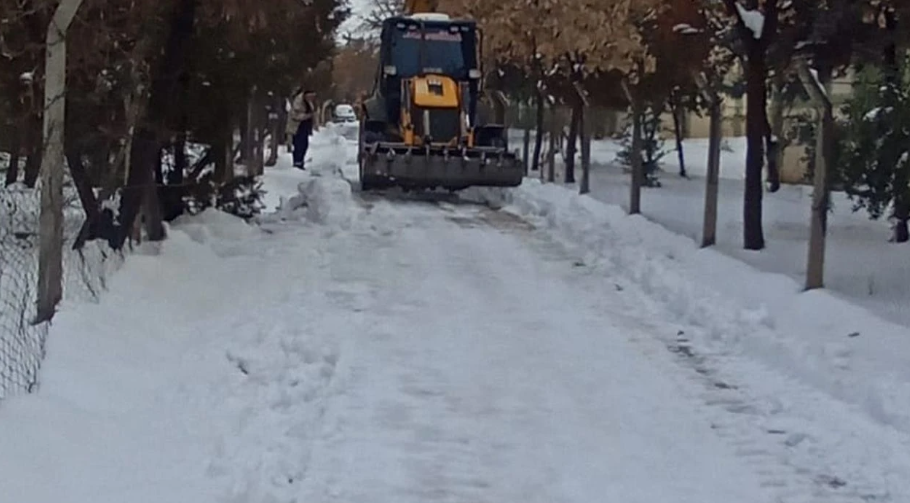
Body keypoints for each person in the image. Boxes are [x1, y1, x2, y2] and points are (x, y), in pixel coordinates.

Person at [288, 88, 317, 169]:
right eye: (310, 96)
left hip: (304, 127)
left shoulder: (309, 102)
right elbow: (295, 115)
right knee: (299, 145)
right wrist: (307, 116)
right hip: (298, 127)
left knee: (304, 145)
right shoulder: (298, 102)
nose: (312, 98)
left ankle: (300, 161)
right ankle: (297, 163)